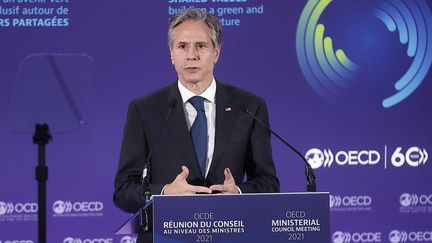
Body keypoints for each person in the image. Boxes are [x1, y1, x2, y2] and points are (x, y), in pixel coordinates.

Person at [114, 8, 279, 242]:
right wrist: (164, 192)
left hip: (230, 234)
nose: (192, 55)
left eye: (201, 46)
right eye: (182, 46)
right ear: (171, 54)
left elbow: (269, 184)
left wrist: (239, 192)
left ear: (216, 53)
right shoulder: (144, 110)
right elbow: (123, 191)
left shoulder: (249, 107)